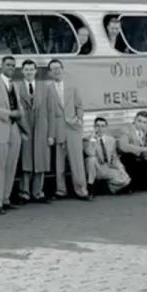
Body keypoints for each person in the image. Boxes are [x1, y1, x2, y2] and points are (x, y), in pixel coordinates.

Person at [0, 56, 26, 214]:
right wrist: (8, 113)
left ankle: (5, 198)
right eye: (8, 65)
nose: (10, 67)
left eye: (13, 65)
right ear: (1, 66)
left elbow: (18, 105)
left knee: (11, 165)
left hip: (14, 129)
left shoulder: (14, 85)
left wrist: (20, 115)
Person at [48, 59, 92, 201]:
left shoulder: (72, 85)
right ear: (50, 72)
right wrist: (51, 133)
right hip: (58, 129)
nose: (56, 71)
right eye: (53, 69)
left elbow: (79, 105)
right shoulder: (48, 89)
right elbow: (48, 112)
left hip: (73, 128)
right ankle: (61, 190)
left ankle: (82, 190)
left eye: (58, 68)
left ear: (62, 69)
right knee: (59, 163)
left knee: (77, 161)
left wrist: (79, 120)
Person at [17, 60, 54, 204]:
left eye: (31, 69)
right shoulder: (17, 87)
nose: (29, 72)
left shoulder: (45, 88)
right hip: (25, 129)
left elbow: (51, 112)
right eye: (26, 69)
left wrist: (51, 134)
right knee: (26, 162)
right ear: (22, 71)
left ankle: (38, 192)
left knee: (41, 161)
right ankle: (24, 193)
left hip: (41, 129)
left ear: (35, 71)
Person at [84, 117, 131, 195]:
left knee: (126, 180)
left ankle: (107, 188)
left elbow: (115, 158)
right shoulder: (87, 139)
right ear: (94, 127)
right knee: (91, 159)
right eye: (97, 126)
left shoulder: (111, 140)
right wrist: (93, 139)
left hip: (107, 167)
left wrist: (121, 169)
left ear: (106, 128)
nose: (100, 129)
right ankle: (90, 186)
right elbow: (90, 153)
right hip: (95, 168)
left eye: (103, 126)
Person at [118, 111, 147, 190]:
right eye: (139, 121)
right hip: (127, 157)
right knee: (130, 158)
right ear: (134, 120)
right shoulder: (126, 129)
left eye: (144, 122)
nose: (141, 124)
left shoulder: (146, 130)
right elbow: (124, 147)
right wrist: (145, 149)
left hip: (140, 157)